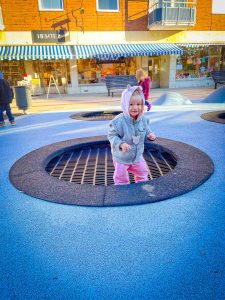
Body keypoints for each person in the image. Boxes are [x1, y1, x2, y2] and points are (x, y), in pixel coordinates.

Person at [108, 85, 156, 185]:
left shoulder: (143, 119)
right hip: (122, 156)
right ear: (125, 105)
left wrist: (149, 133)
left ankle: (142, 186)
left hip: (137, 155)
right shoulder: (119, 121)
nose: (135, 107)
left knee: (142, 172)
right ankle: (122, 188)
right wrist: (121, 144)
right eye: (131, 104)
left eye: (138, 104)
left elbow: (146, 128)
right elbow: (112, 135)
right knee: (120, 176)